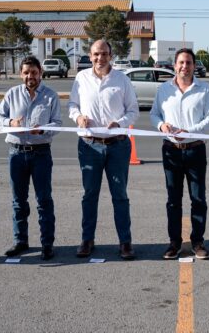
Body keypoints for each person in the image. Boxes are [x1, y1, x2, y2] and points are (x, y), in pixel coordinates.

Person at [68, 40, 139, 260]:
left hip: (117, 145)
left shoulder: (122, 79)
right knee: (90, 194)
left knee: (120, 195)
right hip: (89, 145)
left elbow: (133, 111)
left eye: (105, 54)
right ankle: (87, 239)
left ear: (111, 55)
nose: (100, 58)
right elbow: (72, 105)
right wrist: (78, 117)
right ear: (90, 56)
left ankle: (125, 242)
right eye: (96, 54)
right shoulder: (81, 79)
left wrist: (119, 123)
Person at [0, 55, 63, 261]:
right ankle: (20, 241)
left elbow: (57, 123)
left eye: (33, 72)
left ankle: (47, 244)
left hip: (41, 154)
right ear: (20, 74)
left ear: (40, 72)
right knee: (18, 201)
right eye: (25, 73)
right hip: (16, 153)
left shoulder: (50, 96)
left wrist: (44, 130)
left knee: (44, 200)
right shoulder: (12, 94)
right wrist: (10, 122)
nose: (29, 76)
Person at [150, 48, 209, 260]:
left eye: (188, 62)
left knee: (198, 198)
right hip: (171, 151)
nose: (184, 66)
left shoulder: (205, 90)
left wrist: (190, 132)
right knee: (173, 199)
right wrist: (161, 126)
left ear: (194, 65)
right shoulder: (163, 90)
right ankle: (174, 243)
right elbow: (154, 114)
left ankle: (198, 241)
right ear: (174, 65)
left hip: (195, 149)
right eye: (181, 62)